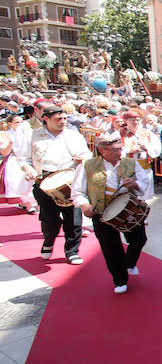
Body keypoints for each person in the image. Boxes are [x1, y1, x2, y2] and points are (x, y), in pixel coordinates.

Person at [72, 131, 152, 294]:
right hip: (101, 211)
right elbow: (77, 191)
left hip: (127, 208)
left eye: (119, 148)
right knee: (110, 247)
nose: (118, 152)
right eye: (114, 150)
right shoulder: (87, 165)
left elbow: (145, 182)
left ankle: (129, 263)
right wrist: (84, 205)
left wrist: (135, 184)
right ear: (102, 150)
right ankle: (120, 279)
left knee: (139, 239)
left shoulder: (131, 163)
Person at [20, 104, 92, 264]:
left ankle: (72, 251)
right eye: (58, 119)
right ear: (46, 119)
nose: (63, 122)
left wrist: (83, 159)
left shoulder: (74, 135)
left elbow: (87, 154)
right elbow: (24, 158)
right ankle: (48, 241)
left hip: (70, 181)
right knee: (49, 218)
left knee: (73, 219)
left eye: (65, 118)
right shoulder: (33, 135)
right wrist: (28, 169)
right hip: (44, 181)